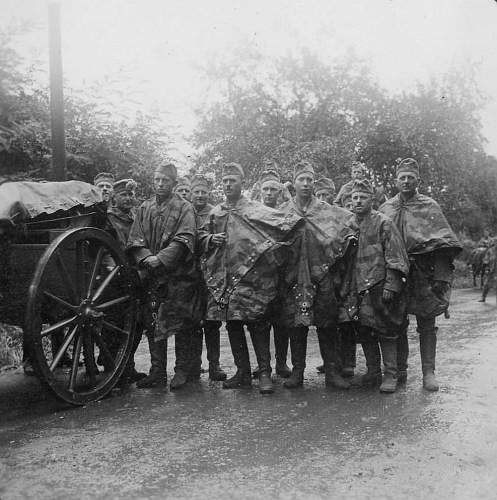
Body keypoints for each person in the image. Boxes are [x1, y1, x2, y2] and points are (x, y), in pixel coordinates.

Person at [198, 162, 301, 394]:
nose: (227, 184)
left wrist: (271, 254)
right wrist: (209, 239)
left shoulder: (256, 209)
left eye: (232, 180)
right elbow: (201, 236)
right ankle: (242, 372)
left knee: (257, 325)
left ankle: (264, 372)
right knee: (233, 325)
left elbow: (286, 228)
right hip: (226, 281)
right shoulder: (216, 212)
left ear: (242, 183)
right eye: (224, 181)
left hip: (253, 280)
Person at [380, 158, 461, 391]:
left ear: (418, 180)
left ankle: (428, 372)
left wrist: (441, 279)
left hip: (424, 272)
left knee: (427, 322)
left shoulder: (429, 206)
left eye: (410, 177)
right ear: (395, 181)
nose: (406, 181)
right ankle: (398, 372)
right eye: (402, 177)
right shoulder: (386, 208)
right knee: (396, 322)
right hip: (396, 272)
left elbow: (445, 244)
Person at [277, 161, 357, 389]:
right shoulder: (283, 211)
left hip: (322, 274)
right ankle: (298, 371)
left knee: (327, 322)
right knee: (296, 325)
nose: (305, 183)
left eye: (309, 180)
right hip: (292, 277)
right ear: (293, 183)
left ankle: (332, 371)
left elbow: (349, 222)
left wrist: (345, 240)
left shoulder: (326, 210)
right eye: (301, 179)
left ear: (313, 183)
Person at [127, 163, 202, 390]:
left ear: (174, 183)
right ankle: (157, 371)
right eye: (157, 180)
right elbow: (135, 238)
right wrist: (146, 257)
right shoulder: (145, 207)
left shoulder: (185, 208)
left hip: (178, 276)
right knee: (153, 323)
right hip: (151, 275)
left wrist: (160, 259)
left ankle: (181, 371)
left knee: (181, 324)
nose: (160, 184)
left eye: (165, 181)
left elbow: (185, 238)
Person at [339, 179, 409, 393]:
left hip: (379, 285)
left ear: (372, 199)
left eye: (363, 197)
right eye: (355, 198)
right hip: (355, 287)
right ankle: (372, 372)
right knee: (364, 330)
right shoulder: (347, 224)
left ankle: (391, 374)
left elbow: (396, 256)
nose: (358, 201)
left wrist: (391, 285)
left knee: (386, 330)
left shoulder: (383, 222)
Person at [254, 169, 292, 378]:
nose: (269, 193)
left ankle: (282, 363)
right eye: (265, 189)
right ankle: (263, 365)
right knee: (260, 321)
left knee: (281, 321)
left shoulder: (286, 213)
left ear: (280, 192)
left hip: (281, 274)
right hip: (259, 275)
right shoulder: (253, 213)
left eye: (273, 190)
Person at [190, 173, 227, 381]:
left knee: (212, 322)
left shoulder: (215, 213)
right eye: (197, 192)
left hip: (211, 273)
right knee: (193, 321)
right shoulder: (184, 212)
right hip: (188, 273)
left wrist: (212, 239)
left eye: (204, 192)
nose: (200, 196)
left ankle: (215, 365)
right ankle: (194, 365)